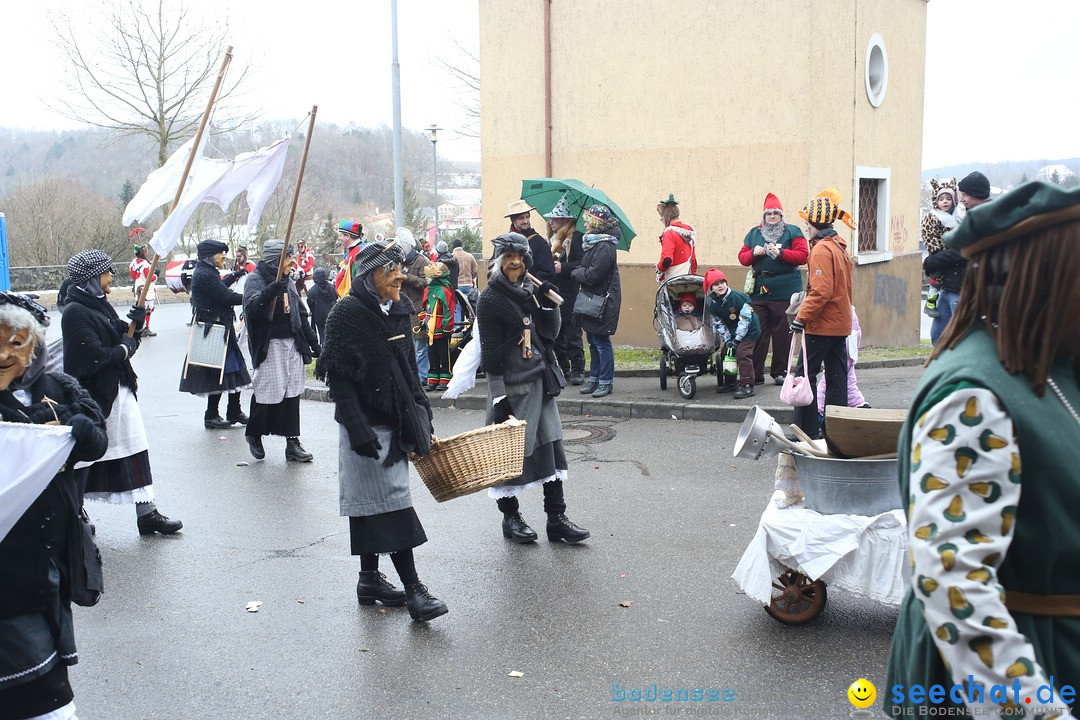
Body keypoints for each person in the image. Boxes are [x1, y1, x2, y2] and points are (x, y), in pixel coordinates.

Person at [885, 181, 1080, 718]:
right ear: (1048, 277)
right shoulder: (973, 394)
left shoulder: (1053, 362)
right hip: (1016, 674)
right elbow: (953, 581)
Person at [315, 240, 447, 623]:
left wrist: (422, 414)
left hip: (394, 422)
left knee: (373, 503)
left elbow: (408, 372)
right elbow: (337, 376)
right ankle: (414, 590)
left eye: (400, 269)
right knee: (392, 506)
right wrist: (357, 427)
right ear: (371, 275)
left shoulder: (400, 311)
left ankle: (368, 580)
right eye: (392, 271)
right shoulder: (347, 313)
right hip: (364, 427)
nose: (401, 276)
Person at [0, 292, 109, 720]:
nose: (7, 352)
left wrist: (77, 429)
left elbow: (96, 438)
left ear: (36, 346)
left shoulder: (58, 388)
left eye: (18, 341)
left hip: (51, 555)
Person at [478, 233, 589, 545]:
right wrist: (499, 397)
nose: (515, 262)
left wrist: (550, 303)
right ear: (498, 262)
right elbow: (489, 356)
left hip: (540, 382)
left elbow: (550, 334)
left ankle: (557, 519)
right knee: (508, 459)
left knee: (552, 449)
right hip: (512, 390)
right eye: (509, 257)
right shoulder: (490, 299)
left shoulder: (531, 290)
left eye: (520, 256)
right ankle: (510, 518)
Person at [62, 249, 183, 535]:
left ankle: (147, 512)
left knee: (135, 447)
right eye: (106, 272)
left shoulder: (97, 303)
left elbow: (123, 333)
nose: (111, 276)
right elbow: (91, 357)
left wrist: (136, 323)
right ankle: (72, 513)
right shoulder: (75, 312)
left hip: (119, 390)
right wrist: (123, 349)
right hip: (94, 398)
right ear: (91, 277)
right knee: (86, 455)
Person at [242, 239, 320, 463]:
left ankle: (292, 443)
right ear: (275, 260)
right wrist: (269, 293)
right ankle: (254, 434)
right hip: (270, 345)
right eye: (288, 257)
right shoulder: (255, 280)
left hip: (292, 344)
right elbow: (253, 311)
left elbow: (300, 315)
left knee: (292, 393)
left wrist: (314, 344)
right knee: (268, 392)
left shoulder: (287, 282)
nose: (292, 261)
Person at [790, 188, 855, 439]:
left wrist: (800, 318)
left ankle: (805, 430)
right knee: (838, 379)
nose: (805, 226)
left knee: (804, 376)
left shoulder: (820, 250)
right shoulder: (839, 246)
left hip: (822, 325)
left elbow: (821, 291)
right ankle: (836, 433)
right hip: (840, 324)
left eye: (807, 222)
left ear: (814, 223)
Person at [179, 240, 251, 430]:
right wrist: (253, 297)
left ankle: (233, 410)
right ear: (211, 255)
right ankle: (211, 416)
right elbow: (225, 297)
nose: (224, 257)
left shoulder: (206, 271)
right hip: (215, 329)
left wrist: (234, 276)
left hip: (220, 327)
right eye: (221, 253)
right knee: (218, 373)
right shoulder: (204, 274)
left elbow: (217, 287)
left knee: (232, 370)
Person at [738, 193, 809, 384]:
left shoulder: (793, 232)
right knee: (757, 332)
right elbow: (742, 257)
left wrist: (781, 253)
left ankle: (781, 372)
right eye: (768, 213)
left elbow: (803, 255)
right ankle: (755, 373)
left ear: (781, 216)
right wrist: (753, 253)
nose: (771, 217)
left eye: (775, 213)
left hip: (785, 291)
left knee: (783, 334)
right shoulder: (754, 233)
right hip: (759, 292)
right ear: (763, 216)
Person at [570, 204, 622, 399]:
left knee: (601, 341)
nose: (584, 223)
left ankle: (605, 381)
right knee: (592, 340)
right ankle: (595, 378)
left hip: (603, 300)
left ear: (596, 223)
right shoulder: (593, 243)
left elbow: (593, 275)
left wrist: (576, 272)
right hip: (593, 299)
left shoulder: (605, 247)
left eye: (588, 220)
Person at [546, 195, 586, 385]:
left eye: (554, 219)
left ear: (564, 220)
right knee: (557, 334)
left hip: (571, 292)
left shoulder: (576, 238)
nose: (551, 222)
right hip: (554, 292)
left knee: (573, 334)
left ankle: (578, 370)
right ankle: (563, 368)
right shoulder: (551, 239)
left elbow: (582, 263)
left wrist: (565, 268)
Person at [704, 269, 761, 398]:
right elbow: (719, 323)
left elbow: (745, 320)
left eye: (722, 282)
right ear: (711, 288)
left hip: (749, 330)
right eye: (716, 284)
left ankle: (747, 386)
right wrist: (728, 339)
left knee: (742, 353)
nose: (720, 286)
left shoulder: (738, 298)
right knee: (726, 353)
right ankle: (731, 382)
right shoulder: (713, 304)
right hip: (733, 332)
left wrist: (737, 340)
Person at [922, 179, 964, 345]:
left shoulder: (961, 216)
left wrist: (940, 259)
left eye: (948, 198)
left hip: (958, 284)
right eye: (941, 199)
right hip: (946, 279)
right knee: (938, 335)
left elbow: (964, 248)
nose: (945, 202)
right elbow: (930, 238)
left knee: (959, 333)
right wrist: (936, 257)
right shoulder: (934, 217)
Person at [815, 305, 868, 416]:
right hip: (847, 332)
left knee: (835, 375)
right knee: (845, 374)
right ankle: (858, 404)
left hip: (842, 331)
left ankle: (819, 410)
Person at [420, 261, 456, 391]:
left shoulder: (444, 291)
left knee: (443, 355)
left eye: (428, 277)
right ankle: (433, 379)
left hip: (441, 327)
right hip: (430, 328)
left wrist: (447, 327)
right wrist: (423, 320)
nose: (426, 279)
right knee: (432, 354)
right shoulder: (427, 290)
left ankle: (445, 378)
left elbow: (449, 310)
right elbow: (425, 308)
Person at [400, 238, 432, 385]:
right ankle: (411, 376)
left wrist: (407, 277)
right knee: (407, 345)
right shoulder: (401, 262)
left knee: (419, 345)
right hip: (403, 308)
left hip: (417, 309)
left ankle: (422, 377)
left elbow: (425, 282)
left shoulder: (422, 261)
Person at [506, 199, 557, 284]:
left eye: (527, 217)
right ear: (513, 220)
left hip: (529, 294)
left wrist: (528, 286)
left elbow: (548, 272)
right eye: (521, 218)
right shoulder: (506, 241)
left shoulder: (539, 242)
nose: (526, 221)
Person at [655, 193, 697, 283]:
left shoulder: (669, 233)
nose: (661, 219)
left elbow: (666, 260)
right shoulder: (689, 232)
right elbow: (693, 260)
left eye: (661, 216)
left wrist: (658, 268)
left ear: (666, 216)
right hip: (688, 279)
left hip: (673, 282)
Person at [127, 230, 157, 337]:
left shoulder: (133, 263)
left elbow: (133, 275)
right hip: (146, 288)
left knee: (141, 307)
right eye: (145, 252)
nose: (147, 253)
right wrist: (156, 274)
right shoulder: (145, 264)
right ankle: (145, 328)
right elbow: (150, 278)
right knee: (147, 310)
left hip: (137, 286)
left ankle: (141, 327)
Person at [305, 266, 337, 346]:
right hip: (332, 314)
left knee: (322, 335)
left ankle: (324, 348)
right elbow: (335, 297)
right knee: (332, 334)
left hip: (319, 317)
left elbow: (309, 302)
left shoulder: (313, 290)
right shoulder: (331, 287)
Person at [334, 220, 365, 298]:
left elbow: (358, 282)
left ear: (348, 236)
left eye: (340, 235)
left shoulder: (359, 253)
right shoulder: (351, 252)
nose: (339, 238)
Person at [451, 237, 479, 313]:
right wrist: (470, 277)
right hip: (468, 284)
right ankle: (471, 322)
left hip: (457, 285)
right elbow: (476, 270)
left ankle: (458, 324)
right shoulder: (470, 256)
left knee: (458, 306)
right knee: (470, 305)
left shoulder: (452, 256)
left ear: (453, 246)